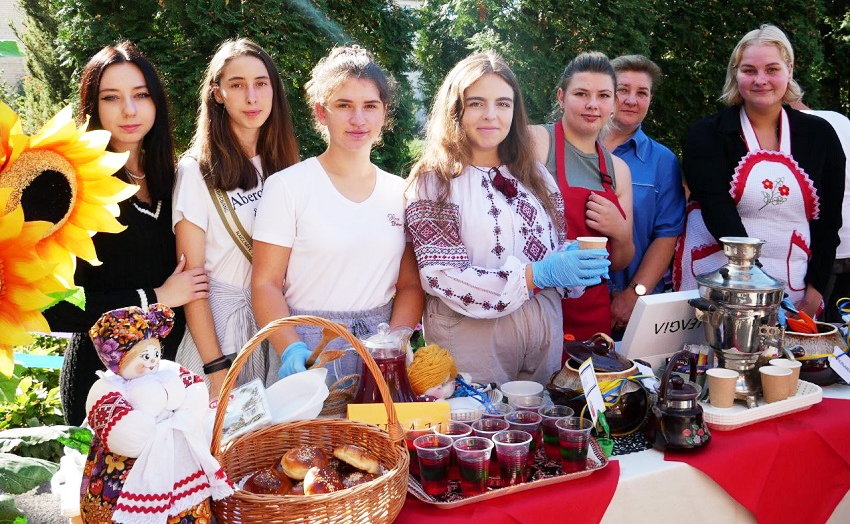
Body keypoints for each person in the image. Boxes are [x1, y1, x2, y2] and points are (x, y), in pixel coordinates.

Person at [405, 51, 610, 386]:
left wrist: (574, 265)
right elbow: (441, 275)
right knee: (478, 430)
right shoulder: (435, 181)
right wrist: (533, 276)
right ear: (455, 109)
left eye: (503, 103)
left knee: (535, 431)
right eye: (476, 103)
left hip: (543, 336)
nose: (491, 115)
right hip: (473, 339)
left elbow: (552, 248)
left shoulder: (536, 176)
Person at [42, 42, 208, 426]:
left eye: (141, 95)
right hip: (104, 387)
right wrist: (154, 298)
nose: (129, 110)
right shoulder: (71, 190)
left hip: (170, 379)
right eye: (111, 97)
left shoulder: (176, 179)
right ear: (93, 106)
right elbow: (52, 307)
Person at [251, 45, 424, 384]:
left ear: (384, 113)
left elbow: (410, 285)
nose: (358, 119)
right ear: (321, 112)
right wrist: (292, 350)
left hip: (379, 353)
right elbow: (265, 284)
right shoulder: (287, 186)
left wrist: (398, 341)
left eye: (370, 106)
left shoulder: (402, 193)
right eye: (344, 105)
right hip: (309, 351)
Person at [675, 24, 845, 317]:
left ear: (789, 70)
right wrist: (761, 290)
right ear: (735, 73)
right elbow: (718, 211)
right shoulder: (708, 134)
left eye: (772, 69)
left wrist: (816, 288)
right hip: (720, 281)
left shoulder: (820, 135)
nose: (761, 80)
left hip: (794, 287)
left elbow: (829, 220)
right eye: (749, 70)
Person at [173, 38, 299, 398]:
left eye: (261, 84)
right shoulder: (196, 171)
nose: (252, 97)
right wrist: (215, 370)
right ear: (217, 94)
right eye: (237, 85)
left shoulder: (287, 167)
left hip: (273, 329)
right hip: (219, 335)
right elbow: (192, 283)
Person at [83, 304, 233, 523]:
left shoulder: (168, 371)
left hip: (176, 453)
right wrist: (151, 414)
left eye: (155, 352)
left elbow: (195, 389)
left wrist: (185, 409)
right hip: (126, 466)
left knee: (187, 506)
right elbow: (126, 437)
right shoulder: (108, 388)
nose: (152, 360)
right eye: (143, 356)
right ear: (118, 360)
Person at [529, 51, 634, 342]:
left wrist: (621, 232)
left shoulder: (618, 170)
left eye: (603, 95)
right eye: (581, 93)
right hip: (538, 306)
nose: (592, 104)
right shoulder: (537, 142)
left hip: (592, 314)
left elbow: (620, 261)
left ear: (613, 104)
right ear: (561, 97)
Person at [600, 55, 685, 336]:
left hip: (632, 307)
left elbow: (667, 235)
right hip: (566, 299)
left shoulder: (663, 161)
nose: (631, 100)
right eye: (623, 89)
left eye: (642, 93)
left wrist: (634, 293)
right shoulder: (572, 149)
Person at [790, 99, 850, 322]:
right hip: (846, 241)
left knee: (813, 330)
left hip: (822, 249)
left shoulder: (803, 132)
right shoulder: (840, 120)